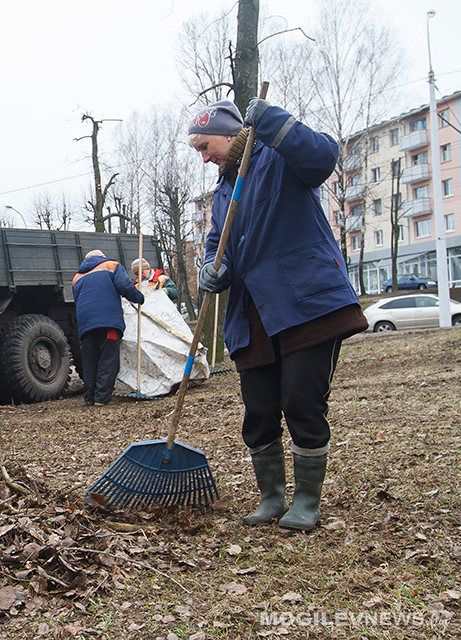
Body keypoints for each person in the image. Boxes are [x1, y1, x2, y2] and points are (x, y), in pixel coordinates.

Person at [188, 99, 367, 532]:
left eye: (205, 146)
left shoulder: (277, 155)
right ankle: (271, 497)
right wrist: (212, 267)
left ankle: (306, 500)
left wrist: (276, 122)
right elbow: (218, 242)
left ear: (231, 134)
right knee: (260, 409)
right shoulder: (223, 192)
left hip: (304, 302)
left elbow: (324, 157)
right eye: (197, 150)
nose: (204, 156)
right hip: (253, 314)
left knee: (301, 402)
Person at [72, 250, 144, 406]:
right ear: (102, 257)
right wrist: (139, 297)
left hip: (86, 325)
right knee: (108, 358)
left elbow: (77, 299)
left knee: (91, 360)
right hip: (108, 321)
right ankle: (101, 398)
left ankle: (90, 398)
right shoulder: (111, 265)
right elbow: (125, 286)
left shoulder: (77, 277)